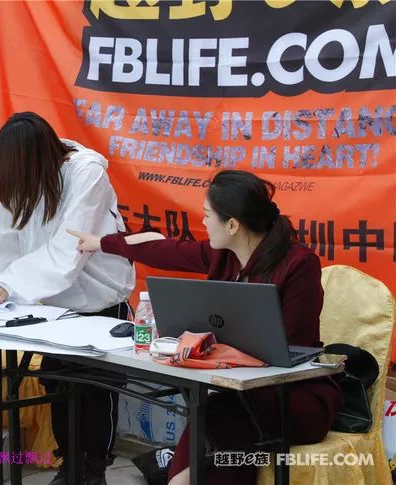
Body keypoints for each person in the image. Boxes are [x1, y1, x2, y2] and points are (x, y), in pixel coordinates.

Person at [69, 170, 343, 485]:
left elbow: (289, 344)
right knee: (214, 415)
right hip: (234, 392)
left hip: (293, 396)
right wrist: (100, 243)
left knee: (217, 416)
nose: (202, 222)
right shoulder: (221, 256)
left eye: (208, 215)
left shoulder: (299, 264)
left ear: (232, 225)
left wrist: (218, 351)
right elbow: (161, 249)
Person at [0, 112, 135, 485]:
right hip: (52, 306)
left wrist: (11, 282)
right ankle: (71, 465)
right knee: (57, 384)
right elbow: (4, 239)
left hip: (98, 299)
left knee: (97, 388)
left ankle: (95, 467)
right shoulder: (17, 177)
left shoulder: (86, 171)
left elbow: (68, 248)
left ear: (39, 159)